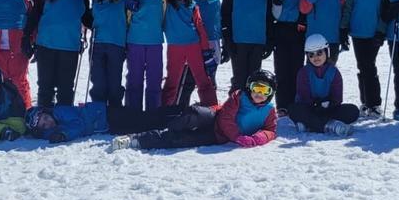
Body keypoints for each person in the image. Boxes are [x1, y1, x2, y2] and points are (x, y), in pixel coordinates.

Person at [109, 70, 278, 152]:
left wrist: (256, 139)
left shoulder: (269, 111)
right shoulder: (239, 97)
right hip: (214, 118)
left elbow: (270, 130)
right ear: (249, 87)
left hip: (217, 136)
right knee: (191, 115)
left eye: (265, 91)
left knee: (181, 140)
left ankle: (136, 141)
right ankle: (133, 125)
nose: (259, 94)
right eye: (256, 88)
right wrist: (238, 137)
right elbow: (225, 118)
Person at [26, 0, 89, 108]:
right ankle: (43, 115)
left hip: (69, 47)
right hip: (46, 46)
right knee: (45, 85)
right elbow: (35, 15)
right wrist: (26, 37)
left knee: (65, 87)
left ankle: (64, 116)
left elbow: (88, 19)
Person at [341, 0, 393, 116]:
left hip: (373, 31)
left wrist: (381, 30)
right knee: (362, 66)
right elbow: (349, 3)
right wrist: (344, 26)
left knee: (368, 66)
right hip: (357, 30)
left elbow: (387, 7)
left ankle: (374, 103)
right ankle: (366, 102)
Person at [161, 0, 219, 107]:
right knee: (172, 81)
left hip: (194, 46)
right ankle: (164, 109)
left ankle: (212, 108)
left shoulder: (192, 6)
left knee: (203, 79)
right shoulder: (166, 3)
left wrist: (206, 51)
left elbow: (201, 29)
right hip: (175, 48)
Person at [221, 0, 274, 92]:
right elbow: (225, 15)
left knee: (254, 79)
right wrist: (227, 40)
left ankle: (251, 109)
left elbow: (269, 17)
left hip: (257, 42)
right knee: (239, 79)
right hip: (238, 42)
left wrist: (269, 41)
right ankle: (235, 109)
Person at [81, 0, 127, 127]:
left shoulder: (123, 0)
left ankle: (115, 113)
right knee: (98, 81)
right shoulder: (97, 0)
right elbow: (93, 18)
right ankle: (99, 113)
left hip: (117, 44)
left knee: (114, 82)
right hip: (98, 44)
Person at [288, 35, 358, 136]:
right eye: (311, 55)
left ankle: (310, 124)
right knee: (294, 110)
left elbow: (337, 98)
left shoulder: (334, 72)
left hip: (328, 109)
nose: (316, 58)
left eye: (319, 53)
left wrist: (328, 104)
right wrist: (316, 104)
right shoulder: (303, 72)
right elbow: (303, 96)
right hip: (309, 108)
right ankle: (330, 126)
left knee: (352, 111)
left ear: (326, 52)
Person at [176, 0, 224, 107]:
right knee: (188, 78)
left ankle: (210, 107)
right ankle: (180, 107)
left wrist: (224, 45)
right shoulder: (189, 2)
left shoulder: (216, 2)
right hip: (193, 44)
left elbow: (220, 23)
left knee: (209, 79)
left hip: (212, 45)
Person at [124, 0, 165, 115]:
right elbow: (127, 20)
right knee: (135, 80)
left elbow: (165, 17)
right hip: (135, 43)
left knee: (154, 80)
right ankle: (132, 113)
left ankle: (152, 114)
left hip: (155, 43)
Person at [270, 0, 306, 113]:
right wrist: (278, 1)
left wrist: (303, 21)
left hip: (297, 31)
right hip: (281, 30)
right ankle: (283, 105)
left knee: (297, 69)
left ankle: (295, 103)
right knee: (282, 69)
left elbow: (306, 7)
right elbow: (275, 14)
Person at [25, 101, 109, 144]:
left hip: (102, 113)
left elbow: (79, 125)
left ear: (48, 112)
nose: (48, 123)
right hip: (102, 126)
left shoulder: (61, 111)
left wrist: (64, 135)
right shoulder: (51, 130)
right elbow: (47, 134)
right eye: (44, 125)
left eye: (46, 118)